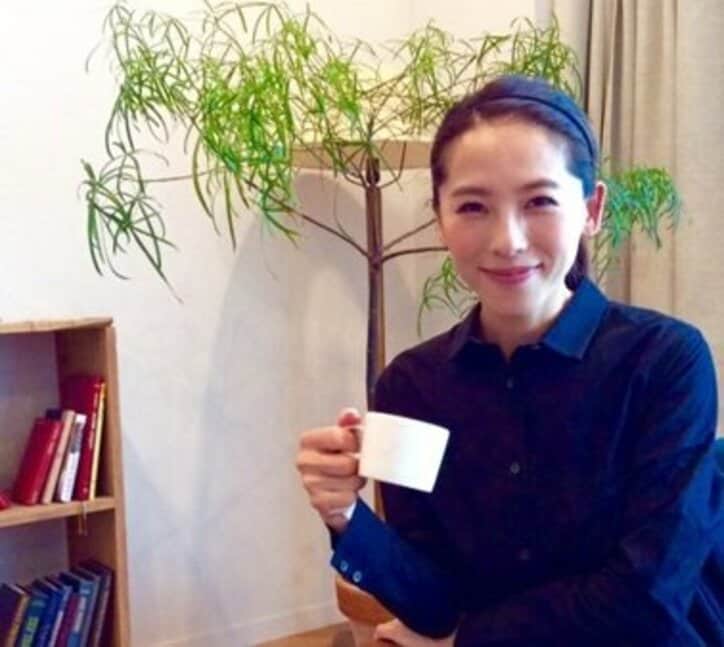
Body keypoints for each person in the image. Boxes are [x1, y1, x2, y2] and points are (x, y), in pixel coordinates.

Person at [295, 74, 723, 646]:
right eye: (473, 206)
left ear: (591, 209)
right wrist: (345, 514)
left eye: (539, 201)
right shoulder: (412, 385)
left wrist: (467, 639)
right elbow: (435, 603)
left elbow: (648, 599)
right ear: (440, 218)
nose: (508, 240)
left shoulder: (664, 362)